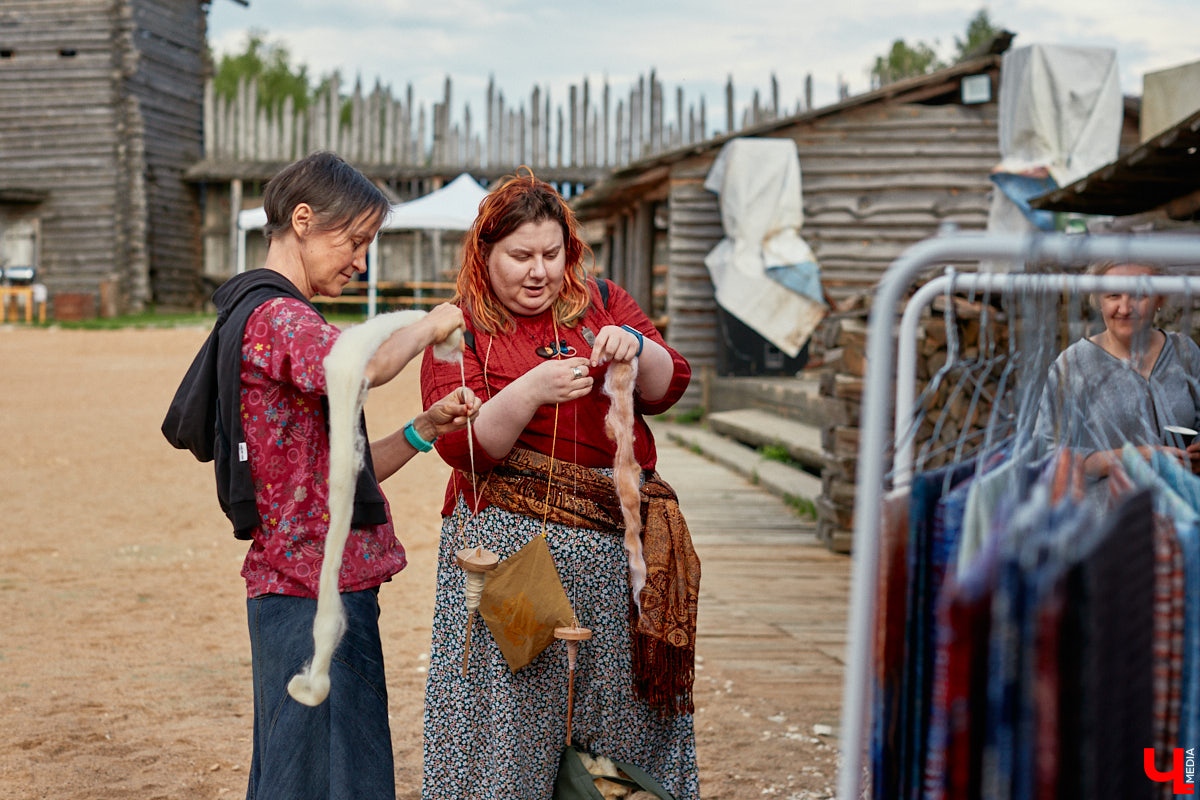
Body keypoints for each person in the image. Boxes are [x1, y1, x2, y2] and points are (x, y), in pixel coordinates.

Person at [162, 151, 479, 800]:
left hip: (313, 585)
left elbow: (337, 475)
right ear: (303, 220)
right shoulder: (279, 317)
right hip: (312, 593)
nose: (362, 259)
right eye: (355, 240)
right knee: (318, 779)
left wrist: (425, 426)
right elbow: (356, 369)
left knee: (312, 772)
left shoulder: (261, 313)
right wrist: (432, 323)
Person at [419, 170, 701, 800]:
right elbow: (464, 448)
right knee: (509, 718)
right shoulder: (453, 329)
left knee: (618, 718)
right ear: (484, 253)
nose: (538, 271)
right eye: (520, 256)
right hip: (508, 559)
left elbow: (667, 384)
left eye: (552, 254)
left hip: (615, 559)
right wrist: (530, 391)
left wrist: (633, 344)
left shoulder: (600, 300)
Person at [1037, 260, 1200, 480]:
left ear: (1159, 299)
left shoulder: (1184, 351)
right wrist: (1135, 458)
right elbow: (1048, 454)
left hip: (1185, 507)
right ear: (1099, 301)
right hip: (1114, 512)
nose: (1125, 309)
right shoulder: (1073, 364)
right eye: (1113, 295)